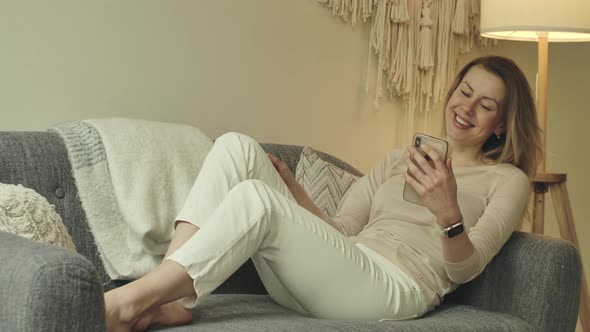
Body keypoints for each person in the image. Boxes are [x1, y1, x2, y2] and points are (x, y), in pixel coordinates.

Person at [104, 55, 541, 331]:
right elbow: (341, 229)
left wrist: (448, 212)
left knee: (256, 198)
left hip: (395, 288)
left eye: (485, 105)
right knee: (236, 146)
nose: (466, 107)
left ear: (501, 124)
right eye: (464, 92)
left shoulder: (508, 180)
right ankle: (175, 298)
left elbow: (467, 270)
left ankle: (129, 301)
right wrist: (290, 188)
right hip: (343, 270)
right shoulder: (397, 159)